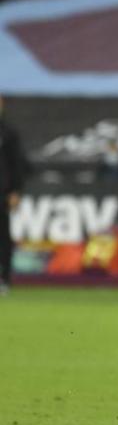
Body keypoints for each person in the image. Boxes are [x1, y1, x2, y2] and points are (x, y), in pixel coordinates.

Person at [0, 95, 27, 294]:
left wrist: (16, 190)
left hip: (2, 192)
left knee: (3, 237)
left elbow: (17, 164)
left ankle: (5, 278)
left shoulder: (8, 133)